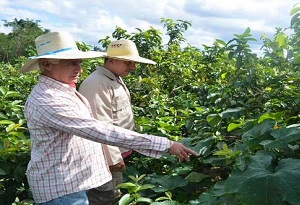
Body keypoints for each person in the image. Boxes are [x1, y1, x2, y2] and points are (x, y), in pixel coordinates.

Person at [21, 31, 198, 205]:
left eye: (79, 63)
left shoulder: (64, 90)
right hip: (62, 190)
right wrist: (165, 144)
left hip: (71, 182)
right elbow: (99, 129)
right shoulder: (50, 99)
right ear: (47, 64)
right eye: (71, 63)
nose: (79, 69)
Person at [78, 39, 159, 204]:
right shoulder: (97, 83)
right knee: (105, 196)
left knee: (113, 194)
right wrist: (113, 159)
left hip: (115, 153)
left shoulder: (113, 78)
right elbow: (100, 126)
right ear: (111, 60)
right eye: (128, 62)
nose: (132, 67)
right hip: (104, 158)